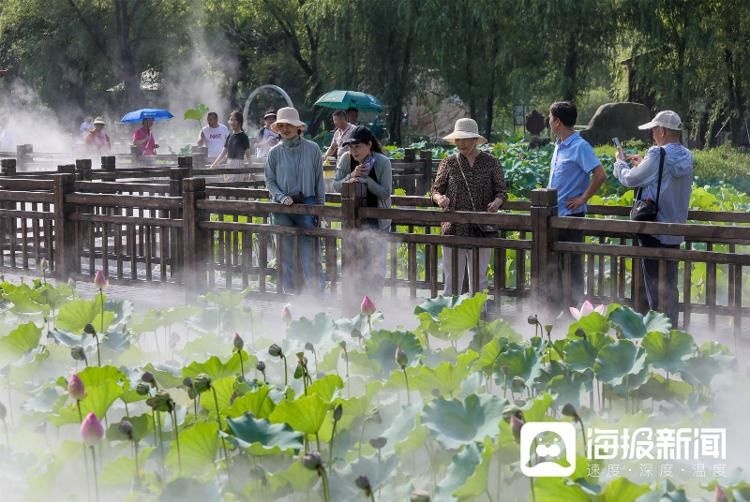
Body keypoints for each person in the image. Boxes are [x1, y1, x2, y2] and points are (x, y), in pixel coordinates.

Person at [613, 110, 693, 326]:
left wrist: (620, 163)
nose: (652, 135)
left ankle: (657, 334)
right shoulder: (687, 155)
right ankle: (672, 331)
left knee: (654, 287)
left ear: (662, 131)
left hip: (654, 229)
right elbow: (664, 180)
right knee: (670, 286)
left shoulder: (657, 154)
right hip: (675, 232)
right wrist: (644, 165)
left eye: (654, 131)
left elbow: (630, 180)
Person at [431, 118, 508, 296]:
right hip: (453, 228)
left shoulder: (491, 162)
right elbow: (435, 190)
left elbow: (502, 192)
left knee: (479, 279)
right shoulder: (448, 162)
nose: (461, 143)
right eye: (458, 139)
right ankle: (450, 317)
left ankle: (478, 318)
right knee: (451, 280)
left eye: (465, 139)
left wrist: (497, 202)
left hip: (481, 229)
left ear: (475, 140)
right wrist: (440, 198)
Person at [547, 101, 606, 306]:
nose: (548, 121)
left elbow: (600, 174)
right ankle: (557, 314)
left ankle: (578, 313)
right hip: (554, 217)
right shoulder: (559, 145)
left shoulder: (580, 146)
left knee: (572, 268)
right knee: (555, 268)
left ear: (557, 122)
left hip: (571, 217)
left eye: (550, 117)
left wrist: (583, 198)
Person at [264, 107, 325, 294]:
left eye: (289, 125)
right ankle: (289, 293)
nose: (285, 128)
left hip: (307, 203)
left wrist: (320, 208)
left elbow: (318, 180)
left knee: (310, 252)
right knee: (284, 252)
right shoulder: (274, 153)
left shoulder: (313, 149)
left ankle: (317, 293)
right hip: (282, 206)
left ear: (298, 127)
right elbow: (269, 181)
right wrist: (282, 197)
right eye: (281, 125)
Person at [332, 126, 393, 292]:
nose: (354, 151)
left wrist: (366, 180)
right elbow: (336, 185)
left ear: (369, 144)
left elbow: (386, 193)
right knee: (353, 260)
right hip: (352, 219)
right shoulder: (346, 159)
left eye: (358, 146)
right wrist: (352, 176)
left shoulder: (382, 162)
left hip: (378, 219)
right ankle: (353, 297)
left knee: (376, 262)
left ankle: (375, 298)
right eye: (351, 147)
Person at [209, 111, 251, 182]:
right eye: (231, 120)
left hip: (238, 165)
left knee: (235, 189)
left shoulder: (244, 137)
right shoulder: (230, 136)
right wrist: (213, 166)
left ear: (239, 122)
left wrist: (251, 172)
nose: (232, 122)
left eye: (234, 120)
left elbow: (248, 156)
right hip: (228, 164)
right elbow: (223, 153)